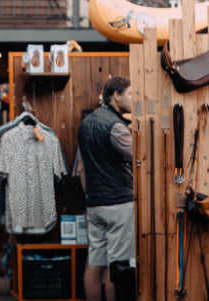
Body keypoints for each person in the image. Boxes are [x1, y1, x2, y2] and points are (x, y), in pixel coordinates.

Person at [76, 76, 136, 301]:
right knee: (116, 266)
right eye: (130, 94)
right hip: (119, 204)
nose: (133, 98)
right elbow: (140, 157)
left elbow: (81, 169)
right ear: (117, 95)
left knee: (95, 264)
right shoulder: (117, 127)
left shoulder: (86, 124)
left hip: (94, 204)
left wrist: (91, 196)